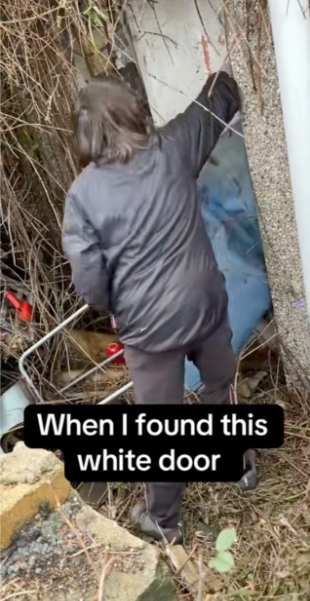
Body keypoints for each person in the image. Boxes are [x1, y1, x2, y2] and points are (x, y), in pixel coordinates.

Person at [63, 73, 247, 545]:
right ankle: (240, 464)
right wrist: (228, 74)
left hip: (148, 330)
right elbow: (216, 103)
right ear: (134, 112)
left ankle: (163, 521)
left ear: (85, 135)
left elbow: (89, 283)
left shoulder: (83, 197)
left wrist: (116, 308)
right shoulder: (173, 147)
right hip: (205, 303)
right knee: (218, 384)